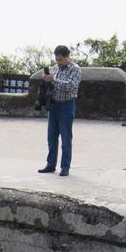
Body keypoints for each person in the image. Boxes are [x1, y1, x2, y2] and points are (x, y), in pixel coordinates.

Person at [38, 45, 80, 176]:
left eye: (61, 60)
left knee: (66, 138)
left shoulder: (75, 69)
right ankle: (51, 164)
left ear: (67, 57)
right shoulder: (56, 68)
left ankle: (65, 166)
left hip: (67, 105)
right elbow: (53, 85)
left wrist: (54, 80)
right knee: (51, 137)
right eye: (57, 60)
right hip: (54, 105)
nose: (58, 62)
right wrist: (46, 80)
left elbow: (71, 86)